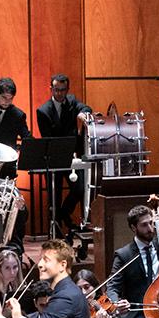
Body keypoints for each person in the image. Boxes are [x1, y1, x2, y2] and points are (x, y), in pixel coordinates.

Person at [35, 74, 92, 227]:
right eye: (56, 90)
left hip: (73, 155)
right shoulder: (43, 111)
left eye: (63, 90)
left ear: (67, 89)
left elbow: (87, 108)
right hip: (54, 157)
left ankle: (64, 213)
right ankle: (57, 226)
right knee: (55, 195)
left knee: (80, 188)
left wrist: (82, 113)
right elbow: (48, 138)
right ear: (51, 89)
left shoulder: (72, 101)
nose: (59, 93)